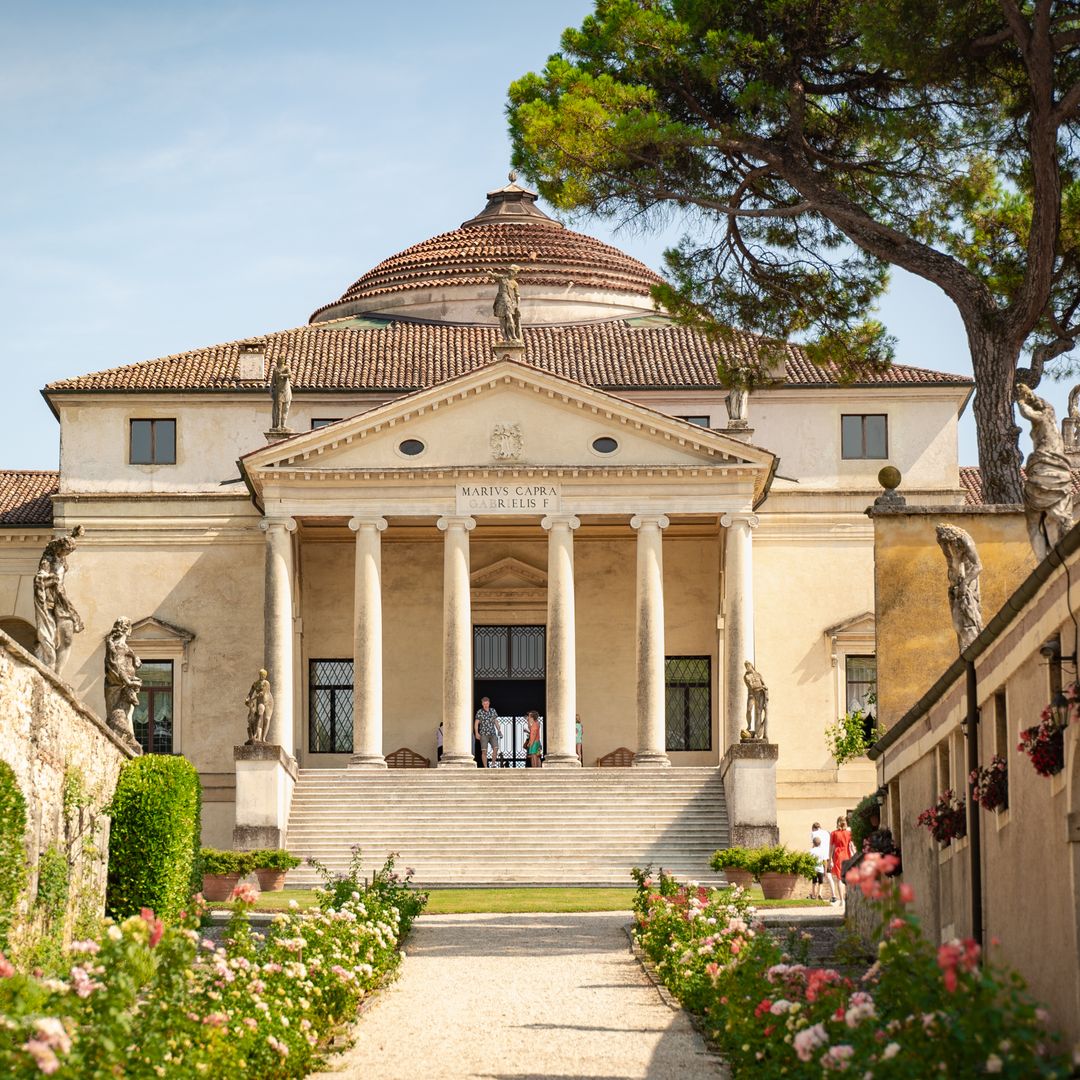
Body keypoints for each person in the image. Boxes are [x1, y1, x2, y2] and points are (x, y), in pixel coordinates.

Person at [829, 816, 854, 904]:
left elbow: (831, 847)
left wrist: (830, 859)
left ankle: (842, 900)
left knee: (839, 878)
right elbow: (851, 846)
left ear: (837, 823)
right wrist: (854, 855)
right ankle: (849, 898)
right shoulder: (849, 833)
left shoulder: (833, 833)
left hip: (838, 856)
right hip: (847, 855)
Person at [810, 821, 837, 903]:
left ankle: (814, 894)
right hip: (827, 856)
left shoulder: (814, 833)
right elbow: (831, 845)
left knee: (814, 879)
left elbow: (814, 845)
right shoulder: (827, 833)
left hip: (818, 857)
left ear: (813, 828)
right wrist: (831, 859)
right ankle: (834, 895)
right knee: (829, 876)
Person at [474, 697, 501, 769]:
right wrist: (476, 733)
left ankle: (493, 764)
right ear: (482, 704)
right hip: (483, 734)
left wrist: (499, 730)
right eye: (484, 704)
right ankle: (485, 767)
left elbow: (495, 721)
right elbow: (476, 723)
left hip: (492, 733)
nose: (486, 705)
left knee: (496, 748)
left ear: (489, 703)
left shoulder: (493, 711)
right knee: (484, 751)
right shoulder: (479, 712)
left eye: (487, 703)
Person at [808, 823, 830, 902]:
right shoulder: (822, 851)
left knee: (814, 882)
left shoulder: (811, 851)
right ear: (820, 843)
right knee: (821, 883)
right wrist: (825, 871)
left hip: (814, 869)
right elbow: (825, 861)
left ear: (813, 843)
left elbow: (809, 860)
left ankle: (813, 895)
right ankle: (819, 893)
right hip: (820, 869)